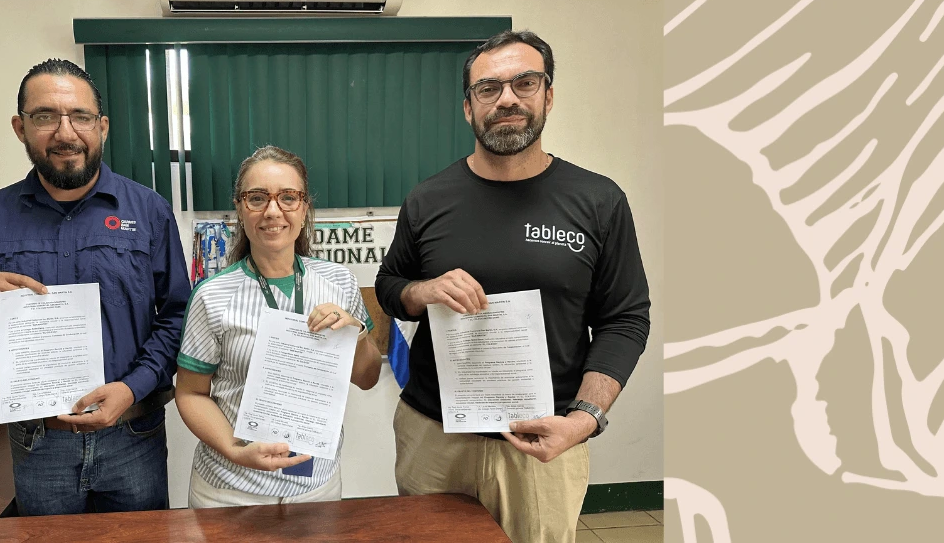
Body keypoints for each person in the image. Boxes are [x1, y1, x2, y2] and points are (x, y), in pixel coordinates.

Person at [374, 30, 652, 543]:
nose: (506, 99)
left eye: (524, 83)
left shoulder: (599, 201)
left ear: (548, 95)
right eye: (488, 88)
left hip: (542, 441)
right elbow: (391, 286)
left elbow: (625, 319)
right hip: (434, 436)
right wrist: (423, 291)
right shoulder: (428, 199)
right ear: (468, 107)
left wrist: (585, 419)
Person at [0, 59, 190, 516]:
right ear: (20, 127)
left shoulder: (149, 211)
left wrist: (132, 388)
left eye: (80, 116)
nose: (65, 132)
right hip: (38, 442)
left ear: (102, 127)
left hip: (133, 437)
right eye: (45, 116)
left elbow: (178, 316)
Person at [174, 146, 383, 508]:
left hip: (317, 487)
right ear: (240, 209)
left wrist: (356, 333)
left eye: (288, 197)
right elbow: (191, 394)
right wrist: (235, 450)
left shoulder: (339, 282)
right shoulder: (213, 295)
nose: (273, 211)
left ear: (304, 208)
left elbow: (367, 378)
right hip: (230, 490)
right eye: (257, 198)